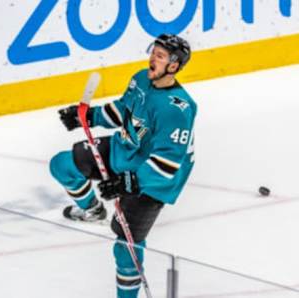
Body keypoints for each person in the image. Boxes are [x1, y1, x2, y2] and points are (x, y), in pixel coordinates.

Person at [50, 33, 196, 298]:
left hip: (154, 181)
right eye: (154, 51)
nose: (153, 57)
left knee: (126, 247)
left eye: (160, 56)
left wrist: (129, 182)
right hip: (126, 149)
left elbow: (168, 164)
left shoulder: (177, 109)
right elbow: (122, 111)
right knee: (62, 165)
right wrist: (90, 117)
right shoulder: (141, 78)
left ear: (173, 66)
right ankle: (93, 211)